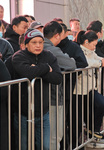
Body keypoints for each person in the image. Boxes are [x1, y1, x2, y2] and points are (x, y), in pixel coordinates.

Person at [8, 28, 62, 150]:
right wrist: (46, 68)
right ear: (26, 44)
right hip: (23, 112)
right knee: (24, 146)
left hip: (43, 112)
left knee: (45, 146)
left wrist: (37, 70)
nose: (38, 45)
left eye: (40, 42)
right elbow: (27, 73)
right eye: (34, 42)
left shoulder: (49, 55)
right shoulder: (18, 56)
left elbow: (58, 78)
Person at [73, 30, 104, 148]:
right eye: (94, 44)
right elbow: (86, 63)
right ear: (86, 41)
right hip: (79, 89)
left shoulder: (91, 51)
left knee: (102, 103)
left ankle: (93, 130)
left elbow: (97, 58)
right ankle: (80, 141)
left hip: (90, 88)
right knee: (78, 119)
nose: (95, 47)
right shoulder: (79, 50)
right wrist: (100, 62)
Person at [43, 21, 76, 150]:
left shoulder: (48, 48)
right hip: (53, 98)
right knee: (55, 136)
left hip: (45, 98)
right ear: (57, 35)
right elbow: (71, 64)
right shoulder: (52, 50)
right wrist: (70, 58)